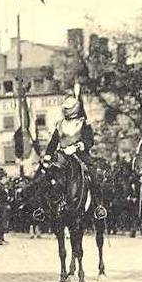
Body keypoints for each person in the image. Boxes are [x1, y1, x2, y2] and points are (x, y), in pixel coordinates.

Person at [42, 86, 107, 219]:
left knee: (93, 177)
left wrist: (77, 147)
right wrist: (48, 155)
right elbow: (54, 142)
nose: (66, 111)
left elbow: (89, 141)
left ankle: (98, 206)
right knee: (45, 176)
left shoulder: (84, 123)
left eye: (68, 108)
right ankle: (43, 208)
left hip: (80, 157)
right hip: (62, 157)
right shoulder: (59, 124)